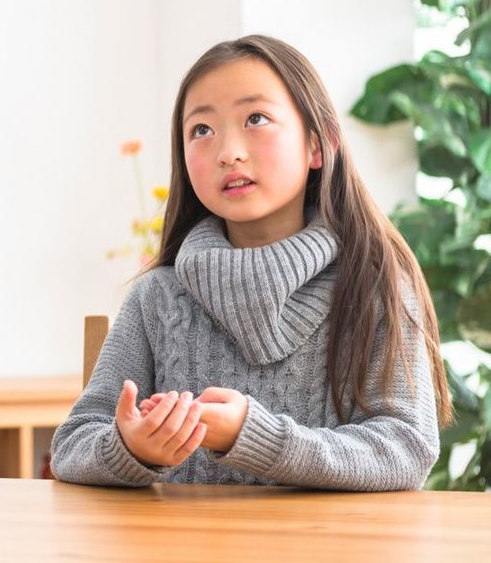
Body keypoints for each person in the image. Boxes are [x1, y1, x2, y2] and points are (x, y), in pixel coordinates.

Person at [50, 35, 450, 490]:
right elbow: (72, 446)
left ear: (318, 146)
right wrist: (133, 447)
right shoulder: (156, 298)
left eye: (256, 119)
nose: (228, 152)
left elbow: (407, 448)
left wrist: (257, 437)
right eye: (201, 130)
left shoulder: (375, 288)